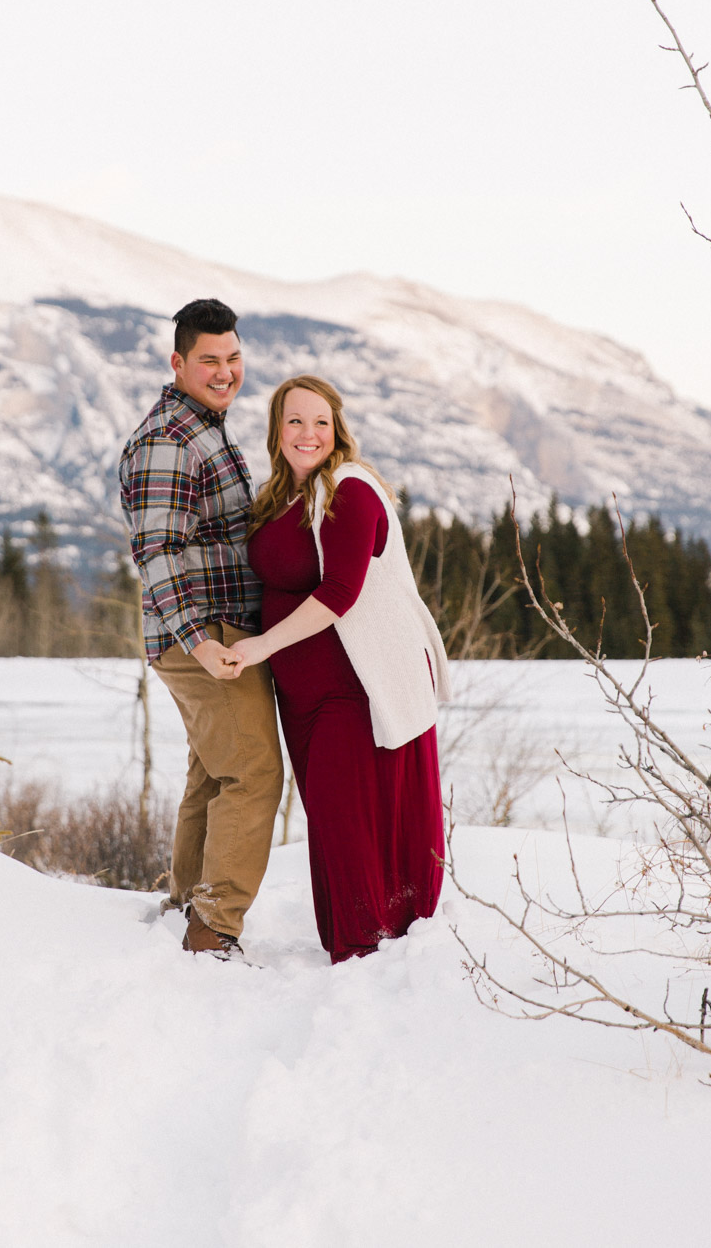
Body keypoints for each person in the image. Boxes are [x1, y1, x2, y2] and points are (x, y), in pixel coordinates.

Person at [230, 375, 449, 964]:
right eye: (295, 421)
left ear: (338, 429)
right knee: (328, 821)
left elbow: (340, 593)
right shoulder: (278, 497)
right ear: (277, 430)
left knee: (349, 816)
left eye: (320, 422)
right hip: (299, 693)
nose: (308, 433)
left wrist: (259, 647)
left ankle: (369, 951)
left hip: (352, 686)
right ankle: (352, 942)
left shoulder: (350, 490)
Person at [119, 298, 283, 960]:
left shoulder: (203, 427)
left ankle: (188, 904)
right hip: (201, 637)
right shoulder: (169, 440)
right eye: (210, 360)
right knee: (253, 772)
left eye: (234, 357)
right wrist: (202, 642)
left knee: (215, 773)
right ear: (178, 362)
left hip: (214, 631)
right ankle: (213, 929)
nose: (225, 372)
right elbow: (156, 551)